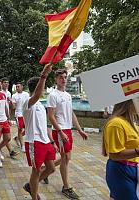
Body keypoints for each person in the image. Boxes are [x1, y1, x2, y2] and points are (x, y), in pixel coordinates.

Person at [46, 69, 88, 199]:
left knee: (67, 158)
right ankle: (66, 187)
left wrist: (79, 130)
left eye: (65, 77)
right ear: (56, 79)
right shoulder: (53, 95)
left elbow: (72, 114)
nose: (63, 79)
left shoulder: (68, 95)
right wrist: (60, 131)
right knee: (65, 158)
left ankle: (46, 171)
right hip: (59, 131)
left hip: (68, 130)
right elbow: (51, 116)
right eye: (60, 77)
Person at [22, 64, 57, 200]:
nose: (44, 88)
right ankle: (34, 195)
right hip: (34, 142)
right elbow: (36, 95)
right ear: (37, 87)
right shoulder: (27, 103)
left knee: (51, 168)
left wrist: (52, 141)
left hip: (45, 141)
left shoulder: (40, 106)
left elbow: (44, 125)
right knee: (36, 171)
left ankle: (31, 185)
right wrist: (44, 75)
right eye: (42, 85)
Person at [103, 100, 139, 200]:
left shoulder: (130, 122)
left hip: (132, 169)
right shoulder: (116, 123)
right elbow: (114, 155)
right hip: (122, 170)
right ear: (129, 103)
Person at [0, 78, 18, 159]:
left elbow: (10, 107)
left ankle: (9, 151)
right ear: (1, 83)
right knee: (1, 137)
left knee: (6, 137)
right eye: (5, 82)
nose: (6, 84)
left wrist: (9, 116)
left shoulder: (8, 93)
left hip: (6, 116)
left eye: (7, 82)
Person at [11, 82, 29, 152]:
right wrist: (11, 102)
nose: (17, 88)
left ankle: (16, 137)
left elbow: (28, 104)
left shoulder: (26, 94)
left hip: (26, 114)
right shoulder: (14, 96)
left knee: (27, 129)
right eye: (16, 87)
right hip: (18, 115)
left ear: (22, 87)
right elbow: (14, 107)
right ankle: (23, 146)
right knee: (20, 130)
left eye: (18, 86)